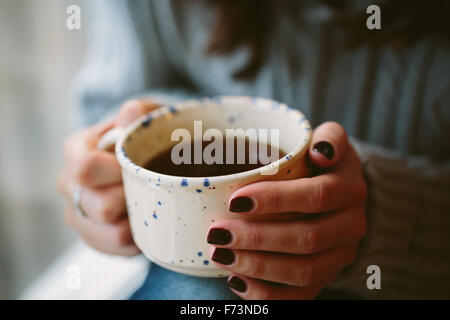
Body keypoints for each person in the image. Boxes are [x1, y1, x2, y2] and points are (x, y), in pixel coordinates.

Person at [57, 0, 450, 299]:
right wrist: (106, 179)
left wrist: (385, 213)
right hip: (199, 269)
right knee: (202, 288)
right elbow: (115, 102)